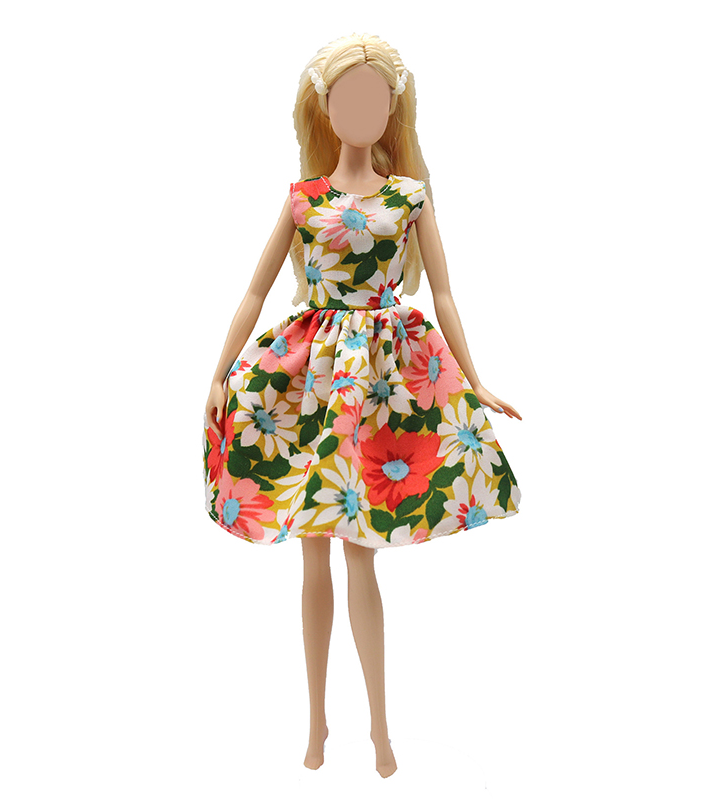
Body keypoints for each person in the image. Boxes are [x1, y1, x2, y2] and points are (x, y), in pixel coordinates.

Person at [202, 32, 522, 778]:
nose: (362, 111)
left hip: (379, 385)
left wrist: (474, 379)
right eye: (348, 98)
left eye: (376, 99)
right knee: (312, 555)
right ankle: (317, 723)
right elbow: (254, 292)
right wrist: (217, 375)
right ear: (323, 106)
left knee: (360, 552)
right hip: (309, 381)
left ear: (394, 107)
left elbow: (444, 295)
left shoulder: (410, 197)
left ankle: (379, 728)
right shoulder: (303, 199)